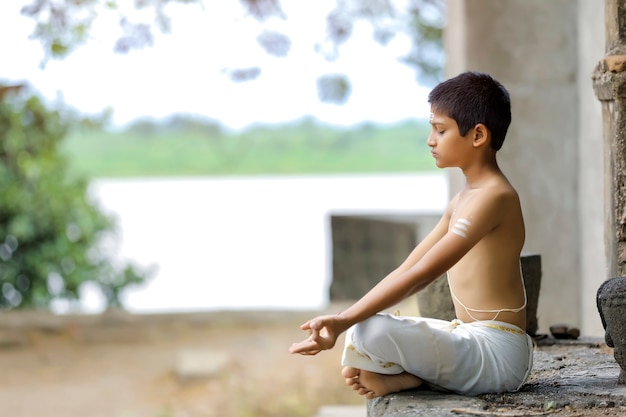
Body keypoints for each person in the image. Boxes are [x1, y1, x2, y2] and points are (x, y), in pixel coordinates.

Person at [289, 71, 534, 399]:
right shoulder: (462, 201)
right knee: (365, 330)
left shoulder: (495, 197)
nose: (430, 140)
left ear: (477, 135)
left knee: (367, 330)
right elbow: (407, 267)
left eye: (441, 130)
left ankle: (411, 377)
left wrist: (344, 321)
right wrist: (340, 321)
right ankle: (410, 378)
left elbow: (421, 275)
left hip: (499, 356)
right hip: (470, 338)